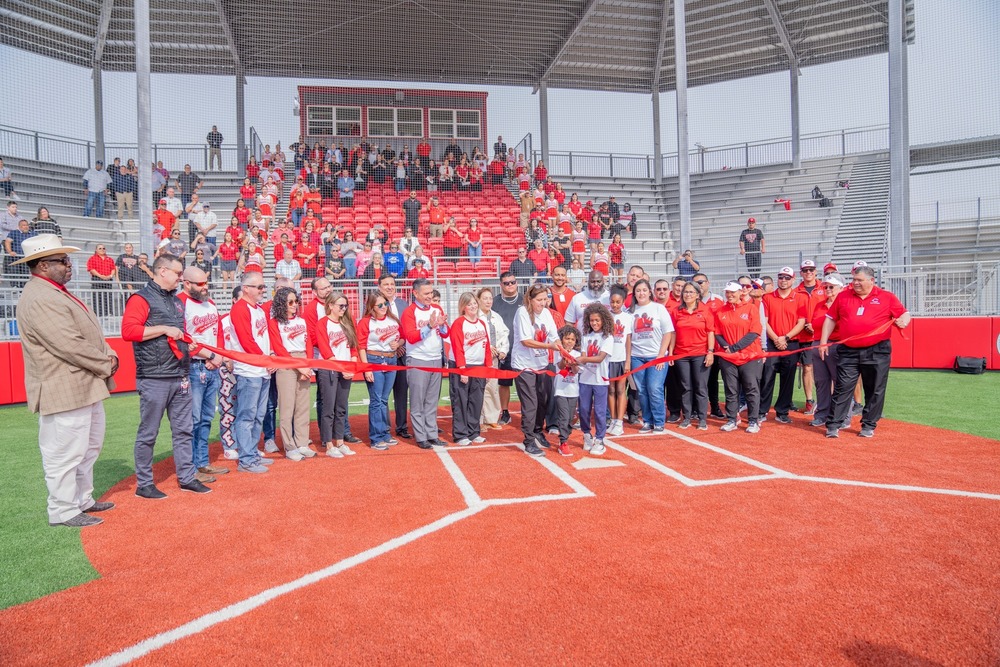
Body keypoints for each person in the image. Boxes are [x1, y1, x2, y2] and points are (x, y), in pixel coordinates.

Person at [15, 235, 119, 527]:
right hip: (62, 387)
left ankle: (82, 499)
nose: (69, 265)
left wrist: (109, 354)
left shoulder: (54, 291)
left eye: (67, 259)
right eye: (62, 261)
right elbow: (69, 344)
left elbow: (91, 334)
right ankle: (63, 510)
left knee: (88, 447)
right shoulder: (39, 297)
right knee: (64, 453)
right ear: (42, 266)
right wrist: (106, 363)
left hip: (82, 384)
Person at [121, 254, 214, 498]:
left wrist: (203, 352)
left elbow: (181, 336)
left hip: (179, 373)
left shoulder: (176, 302)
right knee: (149, 433)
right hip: (154, 376)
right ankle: (144, 484)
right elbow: (129, 331)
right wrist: (163, 329)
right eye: (177, 273)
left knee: (184, 430)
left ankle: (187, 477)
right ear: (162, 271)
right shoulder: (141, 299)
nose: (180, 277)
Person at [820, 266, 910, 439]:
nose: (855, 283)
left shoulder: (887, 297)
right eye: (854, 279)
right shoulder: (843, 296)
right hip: (848, 351)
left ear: (871, 280)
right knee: (842, 387)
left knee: (875, 388)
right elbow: (830, 319)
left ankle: (868, 424)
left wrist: (903, 321)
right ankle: (833, 424)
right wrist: (823, 342)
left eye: (859, 280)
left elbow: (904, 314)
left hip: (877, 350)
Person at [178, 265, 230, 478]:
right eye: (200, 284)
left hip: (211, 367)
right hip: (193, 367)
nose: (205, 287)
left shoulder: (211, 303)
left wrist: (216, 357)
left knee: (207, 417)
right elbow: (182, 338)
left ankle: (202, 462)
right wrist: (208, 356)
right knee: (194, 419)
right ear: (187, 283)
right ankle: (190, 468)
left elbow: (217, 333)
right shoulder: (180, 303)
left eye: (206, 282)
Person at [227, 272, 275, 473]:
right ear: (246, 288)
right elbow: (247, 341)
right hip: (249, 370)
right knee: (247, 416)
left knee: (258, 415)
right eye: (259, 287)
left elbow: (264, 337)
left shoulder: (258, 310)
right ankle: (246, 459)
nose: (262, 290)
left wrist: (270, 356)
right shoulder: (240, 309)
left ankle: (253, 453)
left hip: (261, 370)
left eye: (263, 287)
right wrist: (265, 360)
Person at [512, 283, 564, 457]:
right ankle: (528, 440)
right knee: (531, 403)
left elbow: (554, 335)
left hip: (541, 364)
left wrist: (561, 347)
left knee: (543, 401)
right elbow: (526, 341)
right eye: (539, 300)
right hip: (524, 365)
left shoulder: (547, 313)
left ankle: (536, 431)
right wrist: (550, 345)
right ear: (530, 299)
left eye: (546, 299)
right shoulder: (523, 313)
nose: (543, 303)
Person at [267, 286, 316, 460]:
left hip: (303, 361)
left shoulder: (302, 321)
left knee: (303, 407)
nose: (295, 305)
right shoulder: (274, 322)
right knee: (287, 408)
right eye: (290, 302)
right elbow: (278, 347)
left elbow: (308, 343)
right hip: (286, 363)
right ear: (282, 303)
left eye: (296, 301)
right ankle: (289, 447)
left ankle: (302, 443)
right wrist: (300, 366)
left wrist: (307, 365)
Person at [400, 278, 449, 449]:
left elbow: (444, 333)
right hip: (418, 359)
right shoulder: (409, 312)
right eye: (426, 293)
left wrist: (442, 326)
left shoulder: (436, 308)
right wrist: (429, 326)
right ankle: (421, 436)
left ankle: (432, 433)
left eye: (431, 292)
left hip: (435, 358)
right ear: (415, 293)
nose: (430, 296)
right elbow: (411, 337)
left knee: (431, 400)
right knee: (417, 401)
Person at [760, 267, 808, 425]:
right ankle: (762, 410)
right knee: (767, 378)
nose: (784, 280)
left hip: (791, 343)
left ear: (793, 280)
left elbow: (801, 322)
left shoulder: (800, 298)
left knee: (788, 379)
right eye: (781, 277)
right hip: (773, 344)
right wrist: (776, 339)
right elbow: (764, 321)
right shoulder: (767, 297)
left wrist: (786, 337)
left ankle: (782, 411)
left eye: (787, 278)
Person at [715, 281, 764, 434]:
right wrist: (726, 348)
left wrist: (734, 347)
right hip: (728, 357)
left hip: (749, 355)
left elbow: (755, 331)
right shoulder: (720, 311)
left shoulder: (751, 308)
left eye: (732, 292)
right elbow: (717, 333)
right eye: (727, 292)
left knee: (751, 388)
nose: (730, 295)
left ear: (740, 292)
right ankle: (731, 419)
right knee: (731, 389)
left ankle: (753, 420)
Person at [316, 291, 359, 457]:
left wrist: (352, 366)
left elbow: (353, 346)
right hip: (330, 370)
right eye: (341, 305)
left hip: (345, 370)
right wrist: (342, 368)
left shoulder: (346, 322)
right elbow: (325, 349)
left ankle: (340, 441)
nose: (344, 308)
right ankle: (328, 444)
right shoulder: (323, 323)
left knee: (341, 408)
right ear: (330, 306)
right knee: (328, 408)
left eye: (345, 305)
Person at [358, 291, 402, 450]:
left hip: (391, 360)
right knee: (376, 401)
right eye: (380, 305)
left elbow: (402, 337)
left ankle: (385, 433)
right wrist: (366, 368)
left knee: (384, 400)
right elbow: (361, 346)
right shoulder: (365, 322)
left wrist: (398, 344)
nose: (384, 307)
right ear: (371, 307)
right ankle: (376, 438)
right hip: (374, 360)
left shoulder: (393, 320)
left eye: (386, 304)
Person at [629, 279, 674, 432]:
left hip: (656, 356)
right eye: (638, 290)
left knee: (654, 388)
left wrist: (661, 355)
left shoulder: (658, 309)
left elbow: (668, 332)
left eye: (644, 290)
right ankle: (647, 421)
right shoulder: (630, 311)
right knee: (641, 390)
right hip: (637, 356)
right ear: (634, 293)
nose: (641, 293)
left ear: (650, 292)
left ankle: (659, 421)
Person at [671, 281, 716, 430]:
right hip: (681, 355)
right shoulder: (677, 311)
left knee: (700, 387)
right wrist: (671, 352)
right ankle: (687, 417)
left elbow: (711, 332)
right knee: (685, 387)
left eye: (691, 292)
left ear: (697, 295)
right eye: (685, 292)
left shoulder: (705, 310)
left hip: (700, 354)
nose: (687, 294)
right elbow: (673, 333)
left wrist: (710, 351)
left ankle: (702, 418)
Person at [448, 292, 491, 446]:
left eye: (474, 303)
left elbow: (486, 347)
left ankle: (474, 432)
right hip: (463, 366)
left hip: (479, 366)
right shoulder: (459, 323)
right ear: (463, 307)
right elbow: (457, 347)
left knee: (476, 400)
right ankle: (460, 434)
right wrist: (462, 368)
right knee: (461, 400)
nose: (473, 306)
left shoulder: (481, 323)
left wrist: (488, 367)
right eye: (469, 304)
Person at [577, 303, 615, 456]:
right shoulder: (586, 336)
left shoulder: (608, 337)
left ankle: (600, 439)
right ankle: (587, 434)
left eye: (597, 320)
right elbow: (584, 353)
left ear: (604, 320)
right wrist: (580, 359)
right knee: (584, 410)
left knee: (599, 411)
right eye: (592, 320)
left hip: (600, 380)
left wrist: (582, 359)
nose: (594, 323)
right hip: (585, 379)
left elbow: (600, 358)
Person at [809, 273, 845, 428]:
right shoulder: (819, 305)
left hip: (836, 346)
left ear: (841, 288)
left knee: (840, 382)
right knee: (821, 382)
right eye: (826, 287)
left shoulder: (844, 305)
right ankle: (822, 413)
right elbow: (814, 324)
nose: (828, 289)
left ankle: (840, 415)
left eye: (832, 287)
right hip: (818, 346)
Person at [795, 260, 826, 416]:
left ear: (816, 271)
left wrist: (816, 325)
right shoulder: (796, 291)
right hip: (803, 336)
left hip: (822, 335)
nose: (808, 272)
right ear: (801, 273)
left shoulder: (824, 288)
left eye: (811, 269)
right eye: (805, 270)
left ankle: (826, 400)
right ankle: (809, 400)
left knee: (825, 370)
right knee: (807, 368)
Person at [477, 288, 509, 430]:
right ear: (478, 300)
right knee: (478, 389)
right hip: (478, 359)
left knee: (492, 388)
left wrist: (503, 350)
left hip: (494, 359)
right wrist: (486, 347)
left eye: (490, 298)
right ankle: (478, 420)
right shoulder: (475, 316)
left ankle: (491, 418)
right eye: (485, 298)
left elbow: (504, 334)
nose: (488, 301)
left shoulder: (496, 316)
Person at [493, 272, 521, 426]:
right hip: (504, 350)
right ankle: (505, 412)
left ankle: (528, 411)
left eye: (512, 282)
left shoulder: (525, 300)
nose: (510, 285)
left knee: (525, 382)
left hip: (523, 349)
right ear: (501, 285)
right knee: (504, 383)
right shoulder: (495, 302)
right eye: (506, 283)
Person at [606, 285, 633, 436]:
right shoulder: (606, 316)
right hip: (608, 360)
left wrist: (628, 361)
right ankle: (613, 419)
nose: (615, 305)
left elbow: (628, 341)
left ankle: (620, 422)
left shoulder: (627, 317)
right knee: (610, 390)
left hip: (621, 359)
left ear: (623, 301)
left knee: (621, 389)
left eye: (618, 302)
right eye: (612, 302)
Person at [552, 326, 581, 456]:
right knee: (563, 417)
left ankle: (565, 436)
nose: (569, 341)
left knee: (570, 418)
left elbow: (576, 371)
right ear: (562, 339)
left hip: (573, 390)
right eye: (567, 338)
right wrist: (565, 356)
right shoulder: (557, 352)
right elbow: (560, 366)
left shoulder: (578, 354)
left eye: (572, 339)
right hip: (560, 390)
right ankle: (563, 442)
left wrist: (573, 362)